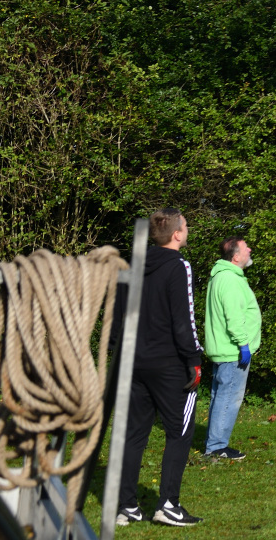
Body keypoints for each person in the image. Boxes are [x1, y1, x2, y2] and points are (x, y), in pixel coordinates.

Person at [115, 210, 204, 528]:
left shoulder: (130, 265)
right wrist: (194, 359)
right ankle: (168, 504)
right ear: (177, 234)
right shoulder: (179, 266)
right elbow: (185, 320)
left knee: (133, 434)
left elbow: (117, 318)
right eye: (186, 225)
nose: (188, 229)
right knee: (180, 431)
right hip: (168, 364)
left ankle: (126, 506)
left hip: (132, 362)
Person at [201, 236, 262, 462]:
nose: (250, 249)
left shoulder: (225, 276)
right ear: (236, 256)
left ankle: (214, 443)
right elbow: (234, 318)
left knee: (221, 396)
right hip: (233, 351)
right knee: (228, 397)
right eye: (247, 248)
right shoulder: (229, 279)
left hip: (227, 349)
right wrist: (243, 345)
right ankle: (217, 447)